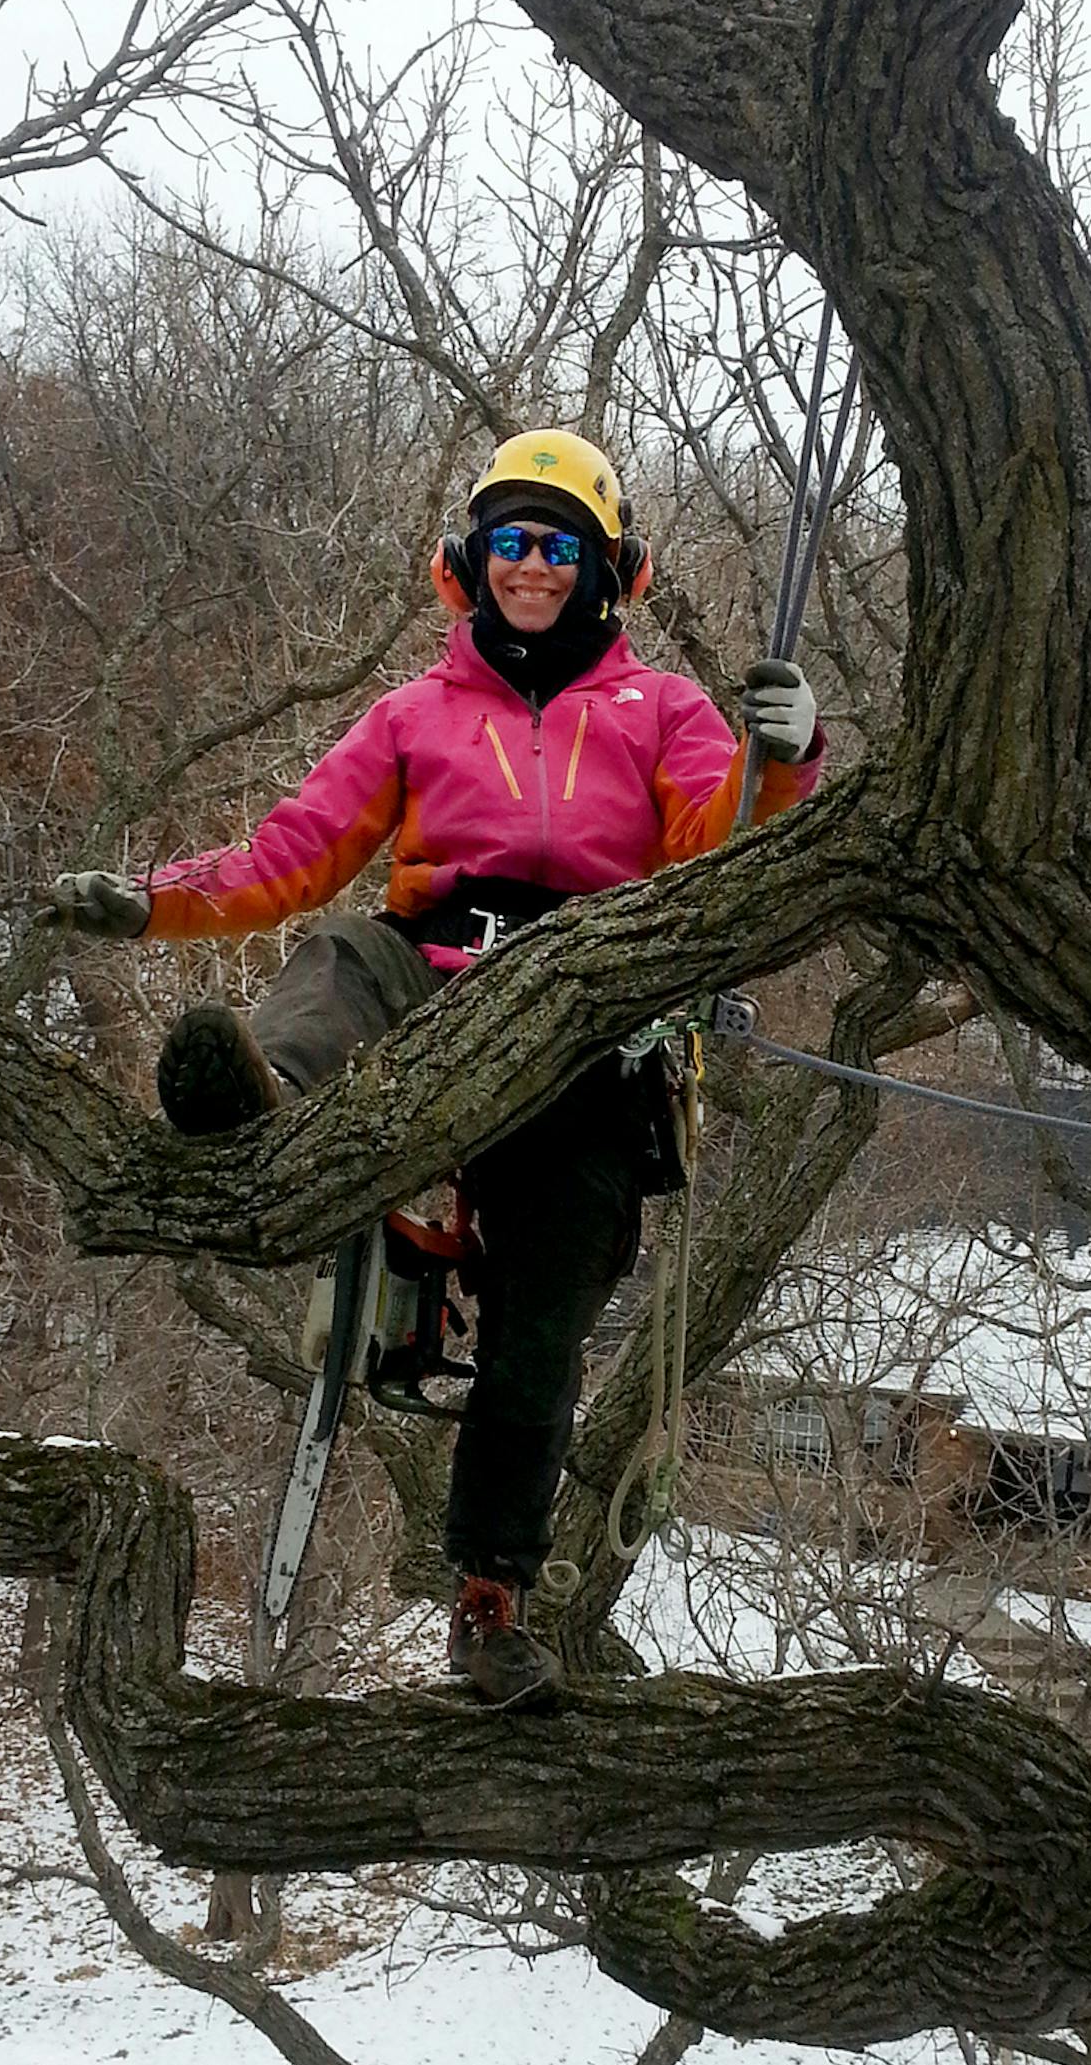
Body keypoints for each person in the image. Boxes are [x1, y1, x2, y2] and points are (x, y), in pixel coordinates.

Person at [49, 427, 823, 1705]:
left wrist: (783, 762)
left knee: (548, 1305)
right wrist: (150, 906)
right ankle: (267, 1110)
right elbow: (287, 854)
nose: (533, 567)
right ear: (474, 562)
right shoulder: (417, 713)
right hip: (433, 978)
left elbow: (718, 843)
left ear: (604, 568)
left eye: (559, 546)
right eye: (511, 542)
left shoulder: (662, 710)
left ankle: (491, 1595)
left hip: (586, 1013)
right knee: (344, 947)